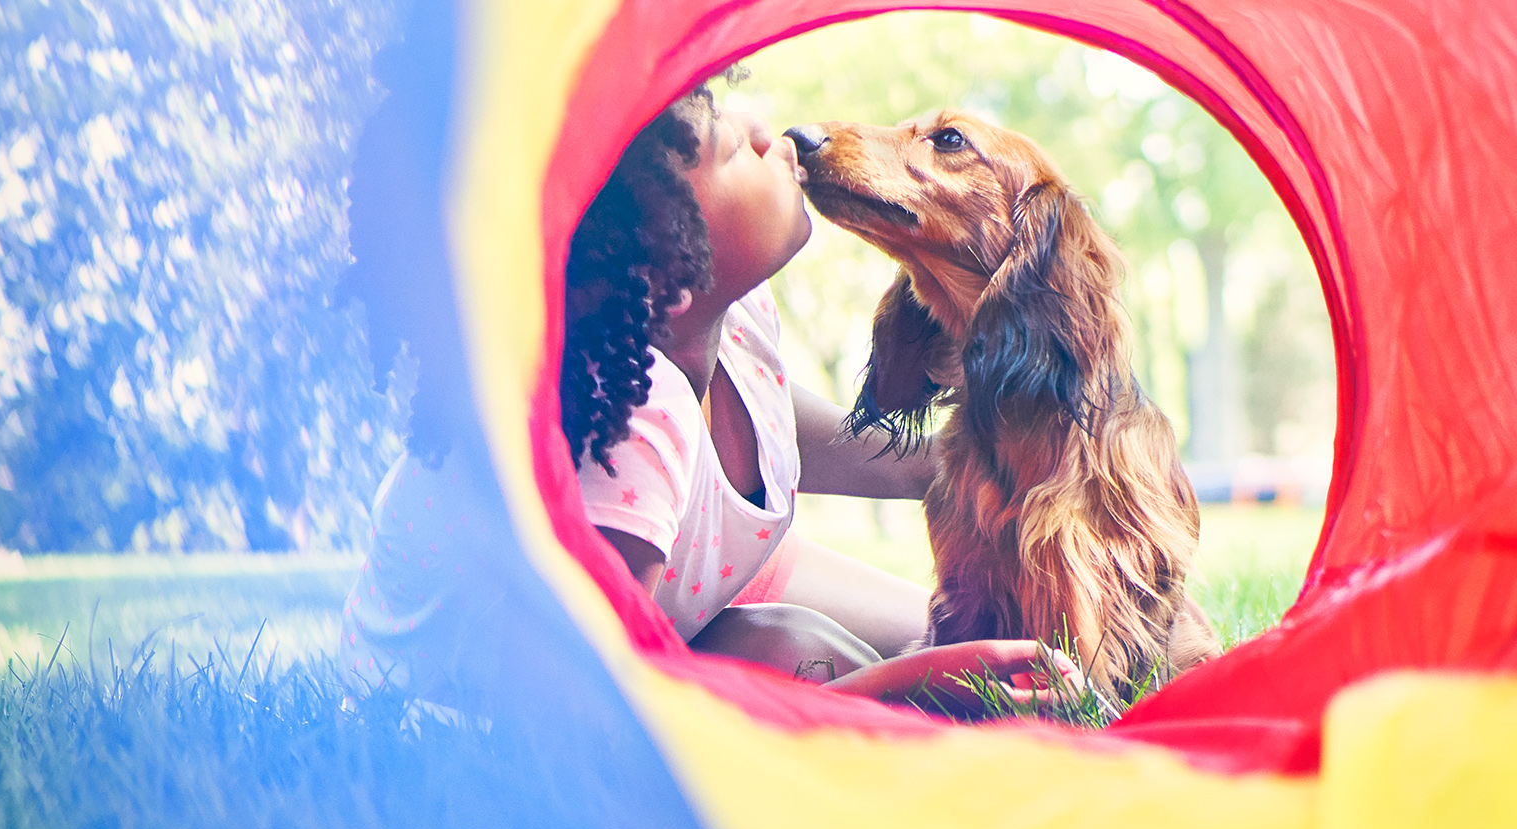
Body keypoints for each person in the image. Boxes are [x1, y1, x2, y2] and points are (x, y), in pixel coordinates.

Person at [347, 79, 1077, 711]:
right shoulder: (634, 424)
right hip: (466, 696)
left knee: (1003, 656)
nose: (769, 132)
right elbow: (584, 708)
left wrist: (968, 463)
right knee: (821, 655)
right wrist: (903, 684)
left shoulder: (738, 318)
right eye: (730, 149)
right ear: (668, 269)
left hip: (703, 587)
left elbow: (774, 429)